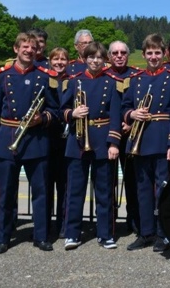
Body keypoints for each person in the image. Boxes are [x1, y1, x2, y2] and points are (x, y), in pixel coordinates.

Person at [0, 32, 61, 254]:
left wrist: (42, 118)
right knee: (7, 192)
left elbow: (55, 110)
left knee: (41, 192)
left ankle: (41, 236)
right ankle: (4, 237)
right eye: (25, 47)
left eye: (33, 48)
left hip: (36, 139)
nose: (29, 51)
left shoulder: (46, 76)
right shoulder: (1, 75)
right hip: (8, 137)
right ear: (15, 49)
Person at [120, 34, 170, 253]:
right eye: (149, 53)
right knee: (142, 188)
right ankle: (145, 233)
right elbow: (124, 106)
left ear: (164, 54)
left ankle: (162, 233)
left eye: (157, 53)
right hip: (140, 139)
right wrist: (132, 113)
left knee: (162, 189)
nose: (153, 57)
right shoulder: (135, 80)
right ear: (144, 54)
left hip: (162, 138)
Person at [61, 42, 124, 250]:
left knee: (104, 191)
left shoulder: (112, 83)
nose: (95, 61)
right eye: (91, 57)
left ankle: (105, 234)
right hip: (77, 141)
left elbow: (115, 115)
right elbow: (62, 110)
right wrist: (73, 114)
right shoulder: (73, 82)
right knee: (75, 191)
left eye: (99, 57)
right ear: (85, 59)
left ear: (104, 59)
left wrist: (114, 142)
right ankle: (72, 233)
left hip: (102, 141)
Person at [106, 40, 141, 235]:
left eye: (123, 52)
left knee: (133, 182)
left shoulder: (137, 75)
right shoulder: (103, 76)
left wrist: (130, 122)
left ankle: (134, 222)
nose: (119, 56)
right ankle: (109, 225)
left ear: (128, 55)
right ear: (109, 56)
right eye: (115, 53)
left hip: (131, 135)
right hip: (108, 137)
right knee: (108, 182)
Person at [46, 47, 70, 238]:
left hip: (67, 140)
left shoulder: (73, 81)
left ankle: (63, 226)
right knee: (44, 186)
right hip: (46, 138)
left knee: (65, 186)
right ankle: (44, 227)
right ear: (49, 60)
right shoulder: (44, 79)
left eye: (63, 59)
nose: (59, 62)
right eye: (56, 59)